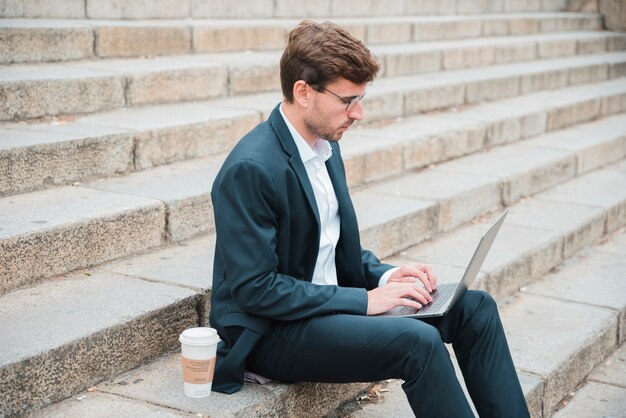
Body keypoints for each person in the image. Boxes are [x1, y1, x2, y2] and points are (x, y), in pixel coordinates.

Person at [209, 20, 530, 417]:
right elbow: (255, 289)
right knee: (417, 342)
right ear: (303, 92)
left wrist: (386, 276)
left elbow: (327, 247)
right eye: (348, 100)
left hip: (327, 308)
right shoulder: (252, 168)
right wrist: (365, 301)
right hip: (274, 332)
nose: (358, 113)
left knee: (474, 308)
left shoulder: (325, 143)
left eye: (360, 98)